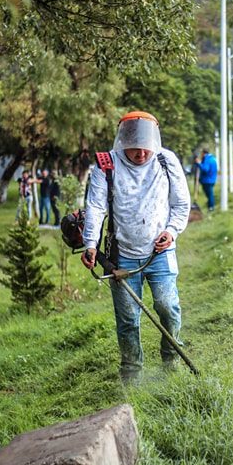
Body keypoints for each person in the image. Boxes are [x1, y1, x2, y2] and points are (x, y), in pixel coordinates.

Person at [81, 111, 190, 382]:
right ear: (123, 142)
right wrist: (91, 243)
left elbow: (180, 204)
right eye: (134, 147)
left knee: (167, 306)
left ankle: (171, 361)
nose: (141, 153)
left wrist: (172, 231)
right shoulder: (107, 165)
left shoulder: (166, 161)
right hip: (123, 255)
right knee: (128, 319)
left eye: (146, 147)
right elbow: (95, 207)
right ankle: (132, 375)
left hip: (160, 252)